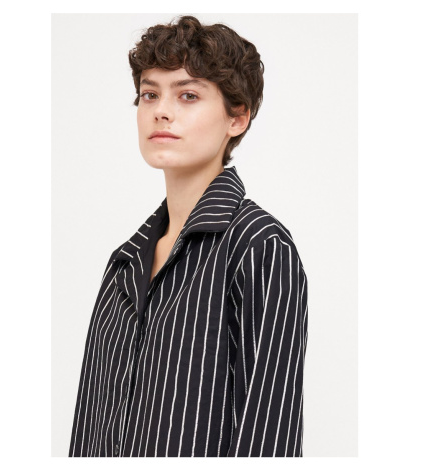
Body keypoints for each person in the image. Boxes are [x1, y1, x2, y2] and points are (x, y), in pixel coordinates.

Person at [69, 15, 308, 457]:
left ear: (237, 117)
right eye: (150, 94)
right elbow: (89, 428)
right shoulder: (124, 264)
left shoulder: (259, 246)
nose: (161, 110)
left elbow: (269, 435)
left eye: (188, 95)